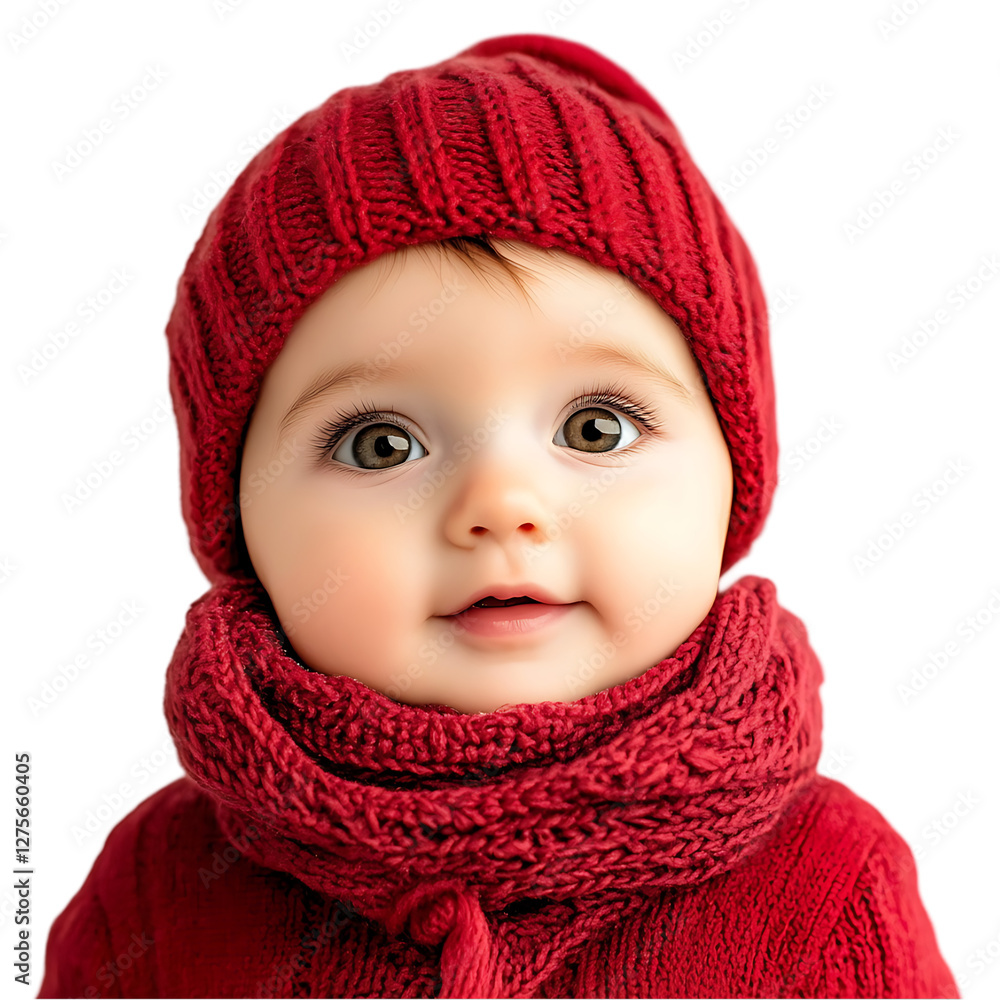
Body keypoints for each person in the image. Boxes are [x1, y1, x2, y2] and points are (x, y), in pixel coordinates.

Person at [39, 33, 958, 999]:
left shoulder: (831, 881)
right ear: (241, 525)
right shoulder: (162, 885)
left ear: (734, 477)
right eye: (380, 444)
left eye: (597, 428)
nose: (500, 508)